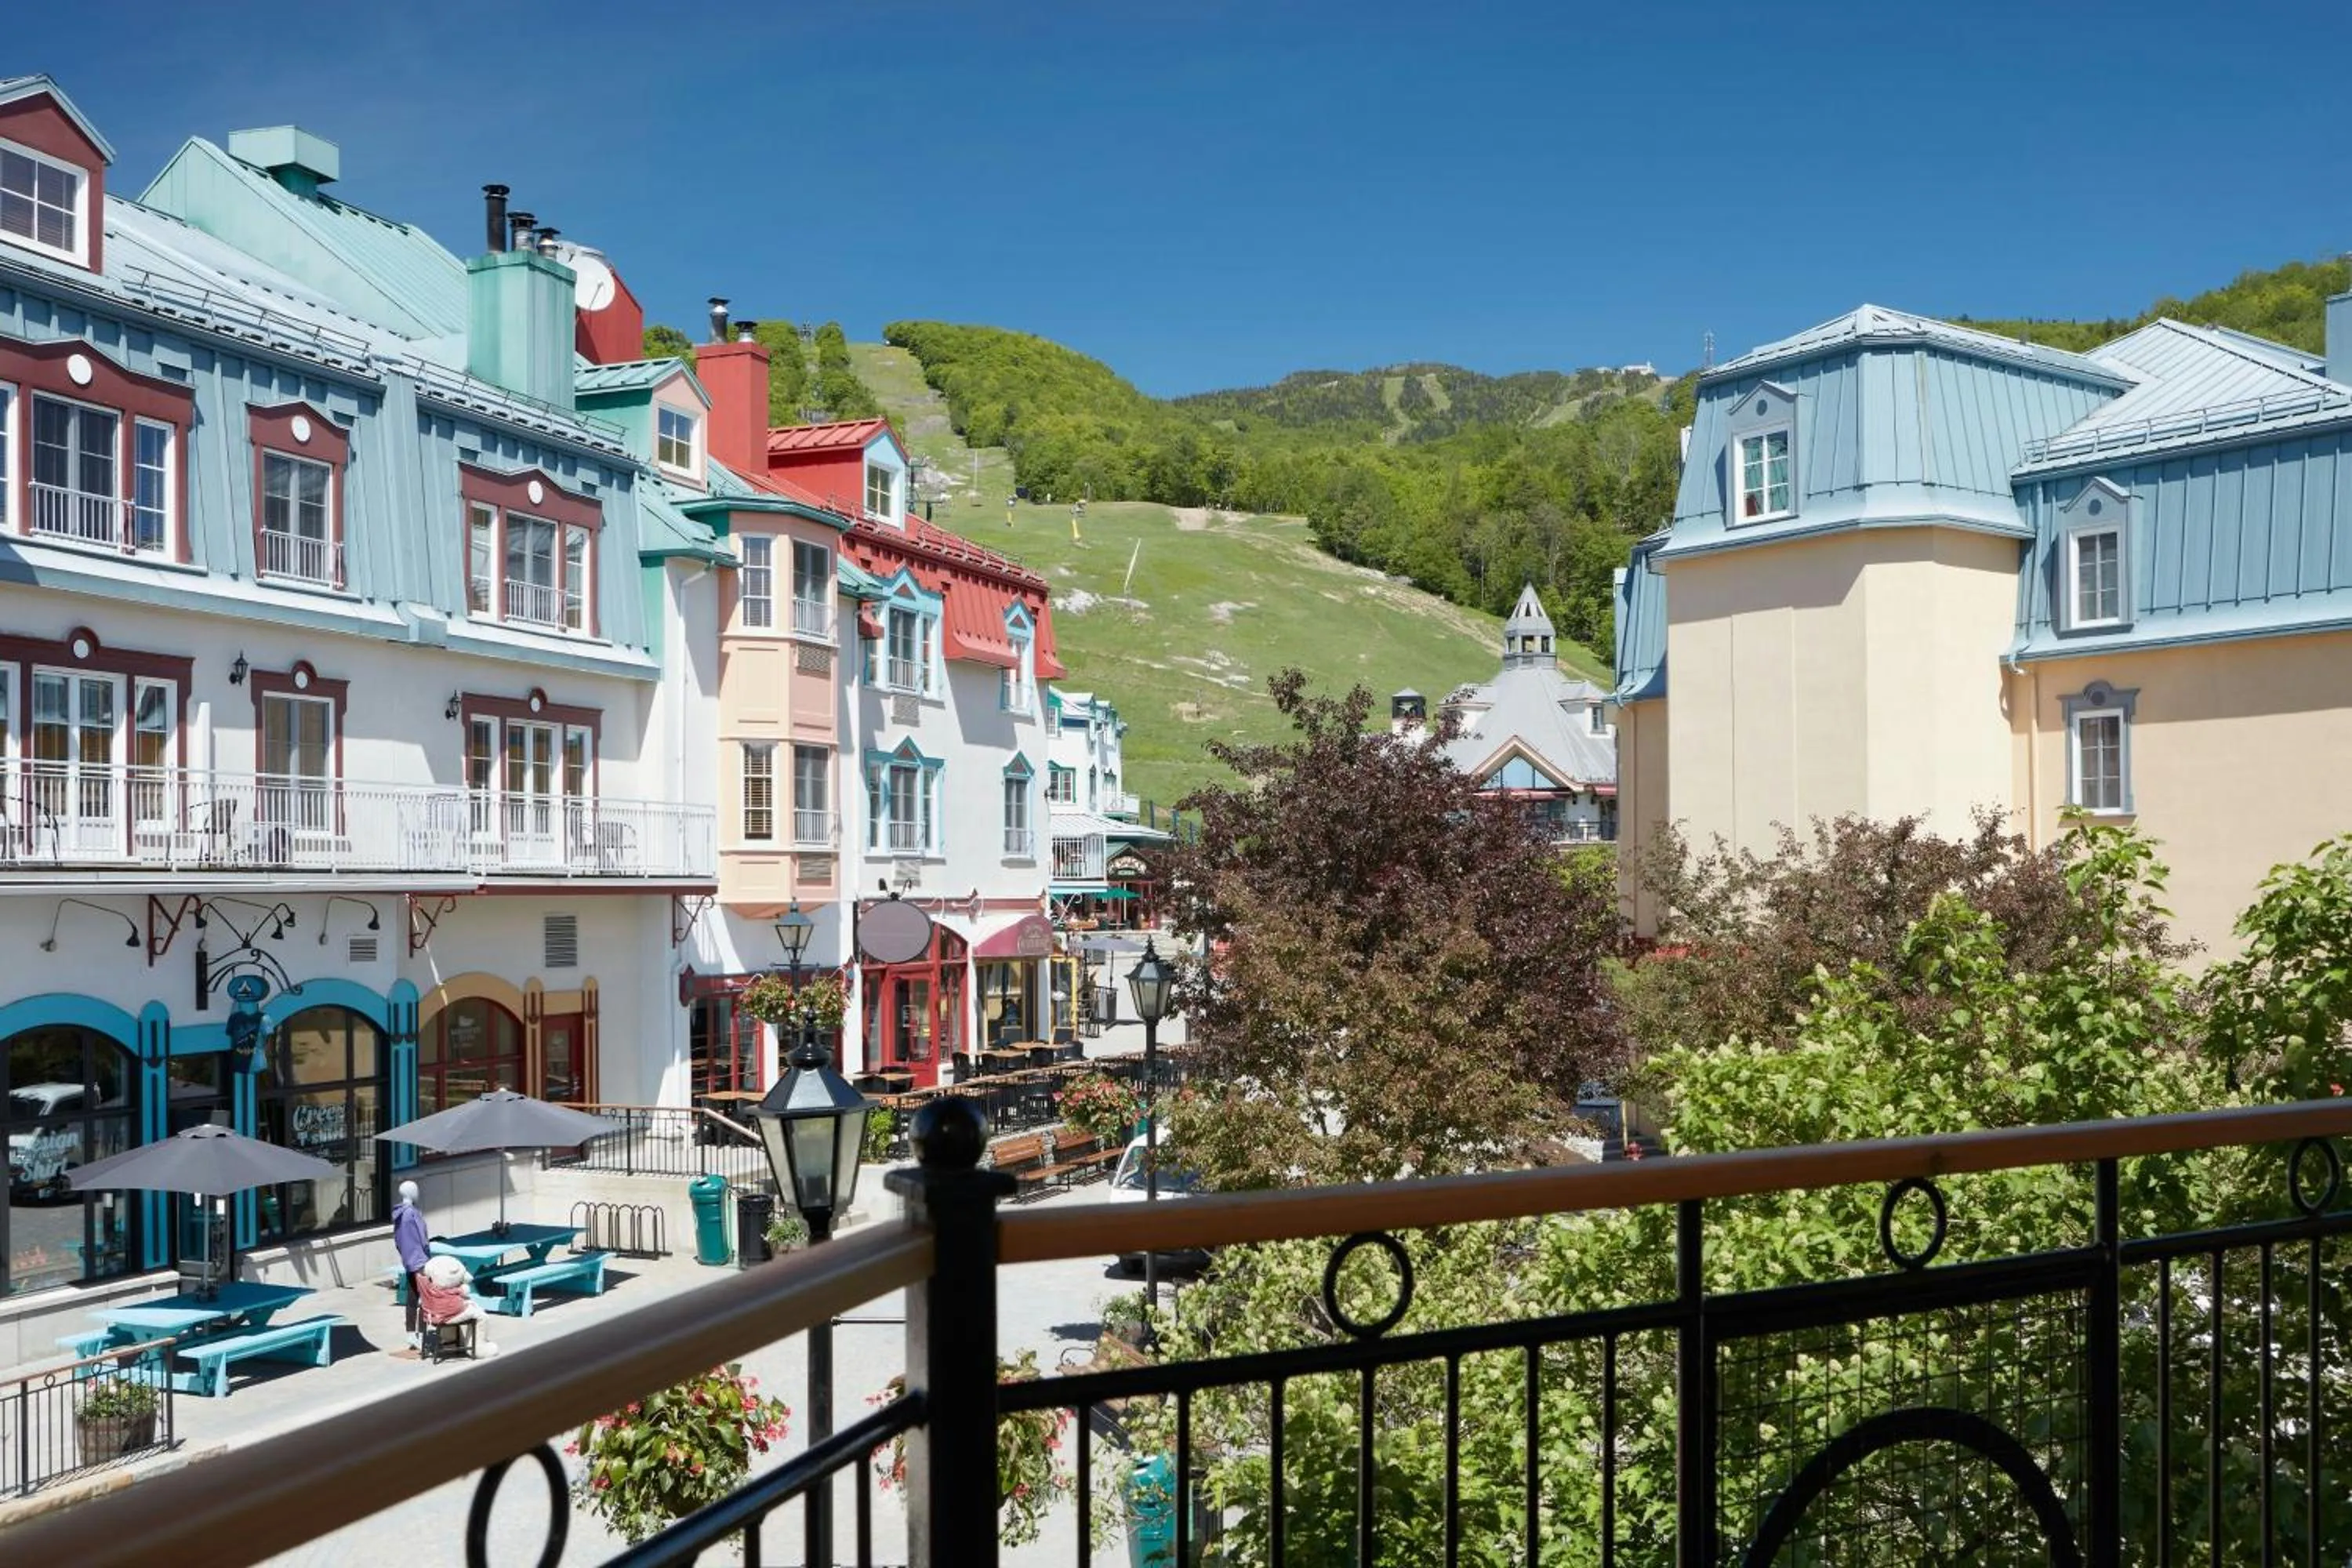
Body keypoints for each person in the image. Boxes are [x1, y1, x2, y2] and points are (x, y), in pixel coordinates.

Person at [392, 1180, 429, 1345]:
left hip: (408, 1260)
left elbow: (397, 1241)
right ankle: (421, 1334)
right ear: (411, 1193)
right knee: (425, 1298)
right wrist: (426, 1255)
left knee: (412, 1297)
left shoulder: (399, 1215)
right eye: (416, 1190)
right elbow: (423, 1239)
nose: (418, 1193)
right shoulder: (412, 1214)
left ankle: (410, 1333)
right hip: (420, 1260)